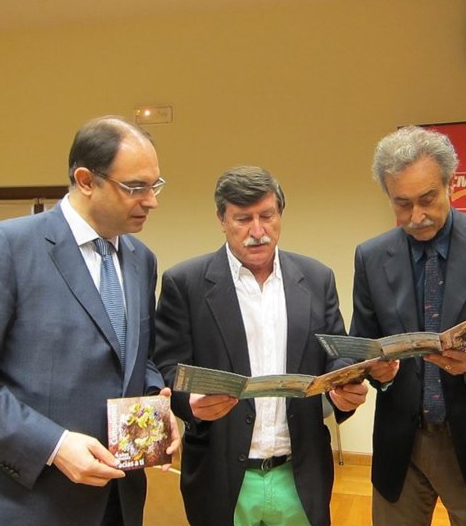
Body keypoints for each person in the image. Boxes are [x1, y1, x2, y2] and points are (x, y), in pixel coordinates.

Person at [0, 115, 180, 525]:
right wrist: (53, 445)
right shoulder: (6, 246)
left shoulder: (140, 260)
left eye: (155, 185)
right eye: (136, 187)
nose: (151, 200)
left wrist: (155, 403)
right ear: (85, 180)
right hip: (24, 504)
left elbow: (139, 359)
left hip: (117, 503)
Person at [154, 166, 368, 526]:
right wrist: (189, 402)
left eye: (267, 216)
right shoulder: (185, 283)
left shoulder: (317, 278)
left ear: (280, 214)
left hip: (300, 470)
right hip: (220, 473)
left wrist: (343, 387)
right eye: (243, 219)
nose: (258, 231)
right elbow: (167, 367)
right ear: (222, 220)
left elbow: (335, 353)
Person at [351, 125, 466, 525]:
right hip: (400, 445)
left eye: (427, 199)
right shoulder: (371, 256)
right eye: (402, 204)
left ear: (450, 185)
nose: (417, 216)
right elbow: (363, 341)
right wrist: (376, 371)